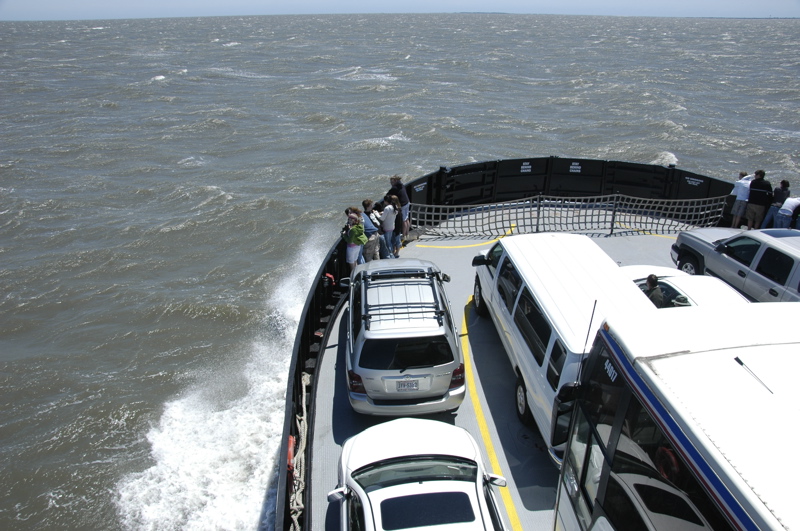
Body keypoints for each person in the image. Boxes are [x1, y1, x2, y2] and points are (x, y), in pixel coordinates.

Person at [388, 175, 410, 240]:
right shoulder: (402, 185)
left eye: (391, 181)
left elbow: (388, 194)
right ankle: (407, 233)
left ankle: (404, 235)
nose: (391, 183)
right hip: (407, 202)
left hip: (402, 205)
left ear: (395, 181)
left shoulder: (395, 188)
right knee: (406, 219)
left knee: (403, 221)